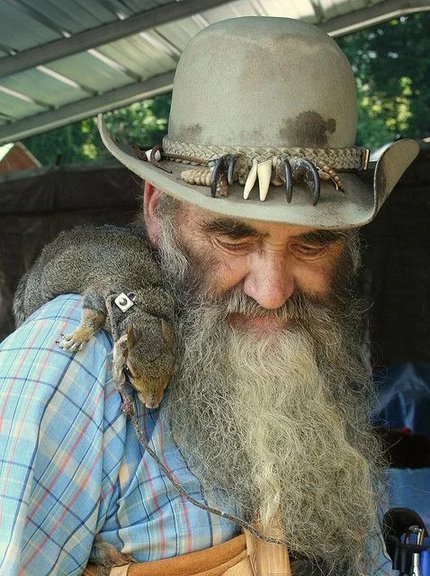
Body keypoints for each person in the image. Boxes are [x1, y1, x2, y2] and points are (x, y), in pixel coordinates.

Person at [0, 16, 418, 576]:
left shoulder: (311, 360)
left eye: (313, 243)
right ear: (158, 210)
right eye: (233, 237)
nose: (273, 293)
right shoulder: (70, 375)